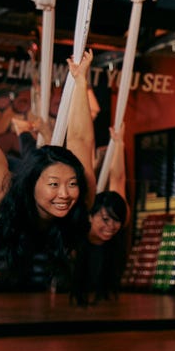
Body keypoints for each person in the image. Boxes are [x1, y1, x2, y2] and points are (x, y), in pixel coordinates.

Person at [0, 50, 97, 293]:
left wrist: (80, 79)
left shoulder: (82, 195)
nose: (65, 194)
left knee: (46, 162)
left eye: (71, 183)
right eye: (54, 185)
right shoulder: (0, 195)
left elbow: (80, 139)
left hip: (29, 179)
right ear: (32, 184)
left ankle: (30, 146)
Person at [74, 123, 129, 304]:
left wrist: (119, 143)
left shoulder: (122, 215)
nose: (111, 227)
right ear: (91, 215)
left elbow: (118, 179)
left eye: (115, 221)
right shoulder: (78, 220)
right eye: (105, 220)